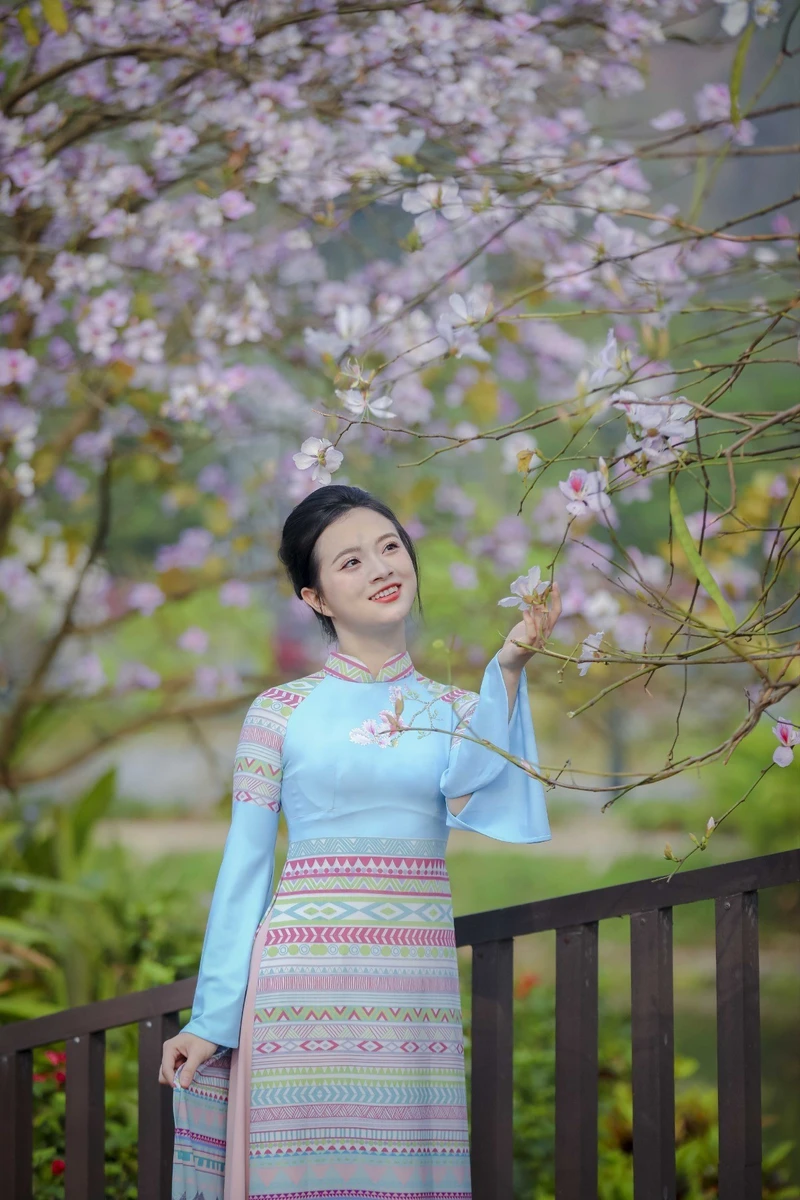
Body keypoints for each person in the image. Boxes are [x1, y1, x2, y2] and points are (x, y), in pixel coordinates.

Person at [161, 484, 561, 1200]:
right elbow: (246, 868)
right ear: (316, 598)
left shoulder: (455, 710)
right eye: (350, 562)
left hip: (411, 993)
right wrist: (211, 1019)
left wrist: (507, 668)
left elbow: (486, 788)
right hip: (299, 991)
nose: (381, 568)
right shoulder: (277, 713)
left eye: (388, 547)